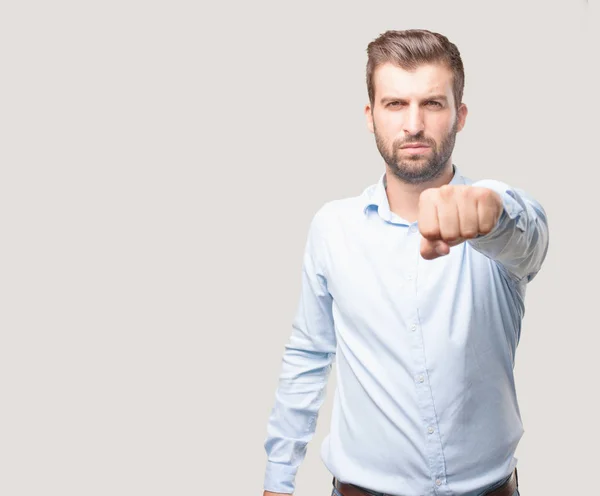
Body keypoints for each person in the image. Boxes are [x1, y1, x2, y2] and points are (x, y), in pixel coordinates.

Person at [262, 29, 549, 496]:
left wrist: (492, 213)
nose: (413, 124)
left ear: (460, 115)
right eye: (395, 104)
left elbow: (530, 237)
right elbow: (308, 356)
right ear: (370, 115)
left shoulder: (496, 222)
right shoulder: (332, 229)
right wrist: (279, 478)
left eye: (433, 104)